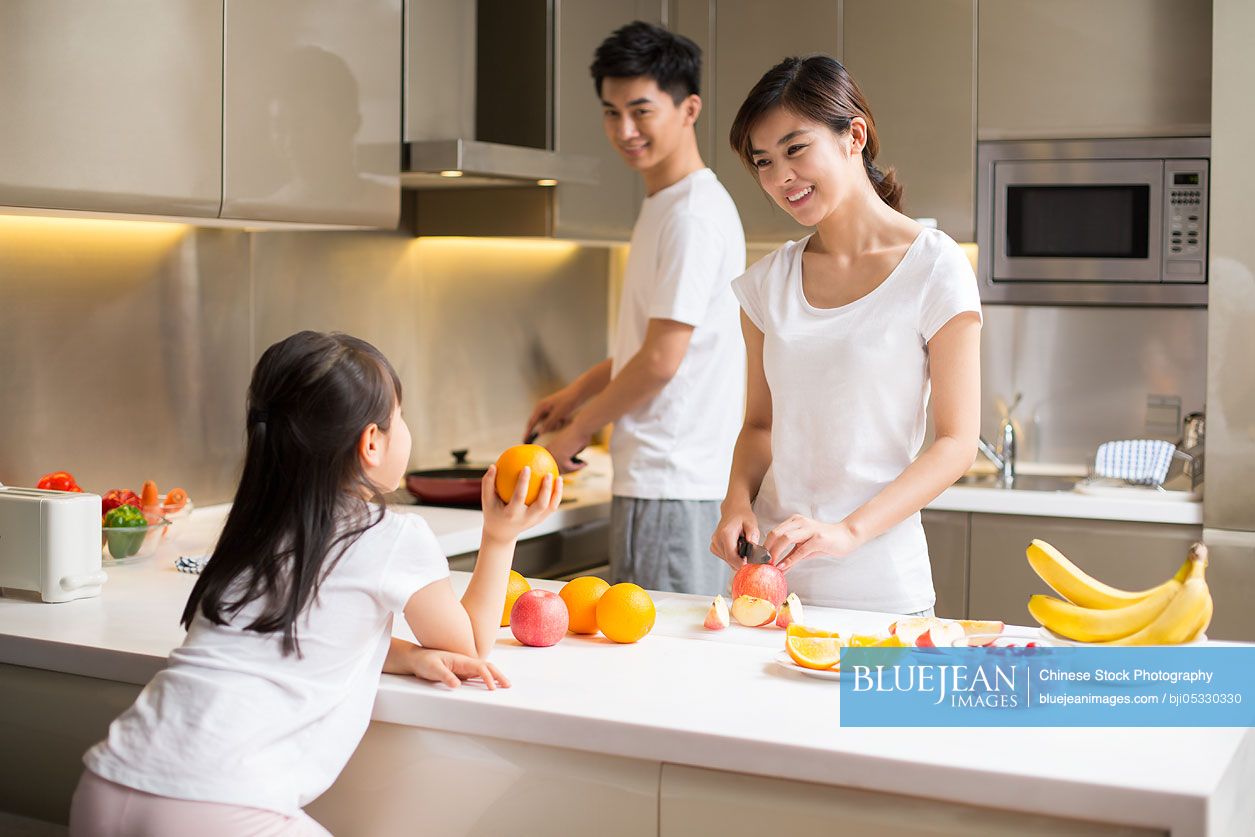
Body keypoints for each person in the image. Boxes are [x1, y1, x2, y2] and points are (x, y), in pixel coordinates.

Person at [69, 331, 561, 836]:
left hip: (106, 784)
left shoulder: (254, 527)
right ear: (372, 442)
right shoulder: (390, 533)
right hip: (217, 808)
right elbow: (475, 647)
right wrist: (500, 537)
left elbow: (297, 632)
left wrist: (404, 655)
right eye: (401, 417)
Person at [710, 56, 982, 617]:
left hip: (881, 591)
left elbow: (955, 443)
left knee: (872, 709)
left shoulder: (935, 268)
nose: (781, 176)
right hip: (768, 589)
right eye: (763, 162)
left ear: (852, 135)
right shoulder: (767, 284)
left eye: (795, 148)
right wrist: (736, 503)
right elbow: (760, 426)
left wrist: (848, 533)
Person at [525, 21, 746, 596]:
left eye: (641, 111)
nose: (624, 130)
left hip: (672, 482)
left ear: (688, 108)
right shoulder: (667, 204)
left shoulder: (692, 216)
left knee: (664, 670)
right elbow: (649, 347)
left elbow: (660, 362)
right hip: (662, 479)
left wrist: (573, 435)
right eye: (611, 111)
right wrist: (577, 392)